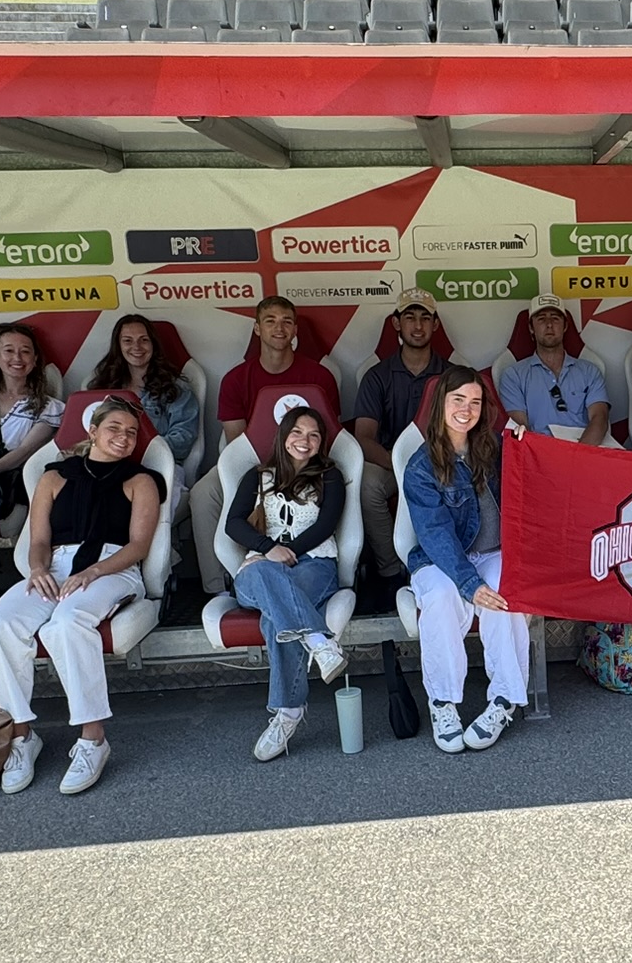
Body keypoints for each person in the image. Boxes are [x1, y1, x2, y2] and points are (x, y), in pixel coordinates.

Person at [0, 396, 165, 797]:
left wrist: (93, 571)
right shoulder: (53, 477)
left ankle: (92, 738)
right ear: (93, 431)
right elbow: (39, 541)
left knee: (67, 621)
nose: (124, 437)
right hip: (55, 566)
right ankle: (21, 734)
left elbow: (138, 545)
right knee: (0, 623)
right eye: (114, 428)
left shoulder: (141, 480)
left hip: (112, 567)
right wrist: (37, 570)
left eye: (131, 432)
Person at [403, 365, 529, 755]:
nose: (466, 409)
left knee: (505, 593)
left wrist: (524, 446)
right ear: (441, 403)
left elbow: (532, 483)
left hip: (492, 553)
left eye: (475, 402)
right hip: (441, 559)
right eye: (458, 399)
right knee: (441, 597)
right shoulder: (421, 466)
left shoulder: (495, 448)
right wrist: (469, 584)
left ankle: (504, 700)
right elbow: (435, 534)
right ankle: (443, 703)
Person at [224, 402, 349, 762]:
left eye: (313, 435)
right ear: (283, 435)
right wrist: (269, 549)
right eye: (297, 432)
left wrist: (289, 550)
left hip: (314, 563)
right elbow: (233, 523)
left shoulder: (330, 477)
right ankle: (319, 642)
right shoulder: (257, 477)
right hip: (261, 567)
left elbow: (326, 525)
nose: (304, 441)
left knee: (275, 620)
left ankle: (288, 712)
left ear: (321, 443)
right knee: (262, 573)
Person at [188, 296, 333, 588]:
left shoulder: (319, 376)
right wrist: (273, 471)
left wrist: (296, 465)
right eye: (270, 321)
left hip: (307, 463)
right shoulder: (236, 379)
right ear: (257, 328)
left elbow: (326, 432)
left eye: (287, 322)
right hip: (255, 465)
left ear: (295, 330)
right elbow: (237, 442)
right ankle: (217, 587)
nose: (279, 328)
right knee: (202, 494)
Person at [353, 288, 453, 587]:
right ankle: (391, 572)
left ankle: (446, 563)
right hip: (390, 465)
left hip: (442, 464)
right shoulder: (377, 376)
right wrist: (400, 467)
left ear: (436, 324)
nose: (418, 325)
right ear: (397, 323)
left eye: (425, 318)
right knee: (367, 485)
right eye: (410, 317)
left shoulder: (453, 375)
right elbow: (363, 437)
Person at [0, 323, 64, 553]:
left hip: (8, 478)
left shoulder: (49, 407)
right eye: (8, 350)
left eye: (25, 351)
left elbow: (24, 452)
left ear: (35, 360)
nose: (17, 357)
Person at [87, 313, 200, 470]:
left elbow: (183, 439)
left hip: (158, 466)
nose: (137, 347)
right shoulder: (101, 385)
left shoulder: (176, 387)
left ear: (153, 344)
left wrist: (138, 450)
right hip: (106, 464)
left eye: (144, 340)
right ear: (118, 346)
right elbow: (86, 433)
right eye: (128, 340)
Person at [498, 295, 611, 443]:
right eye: (541, 319)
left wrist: (578, 453)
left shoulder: (590, 372)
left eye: (555, 318)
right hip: (539, 450)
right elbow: (520, 429)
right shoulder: (513, 376)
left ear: (565, 326)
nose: (549, 324)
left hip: (585, 448)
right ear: (531, 328)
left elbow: (600, 419)